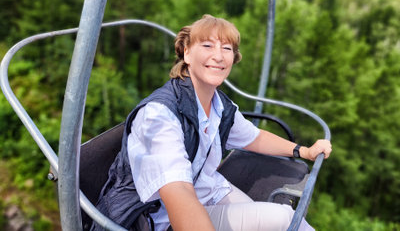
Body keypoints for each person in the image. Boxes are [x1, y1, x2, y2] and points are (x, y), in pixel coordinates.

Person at [93, 14, 332, 231]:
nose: (218, 56)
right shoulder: (159, 116)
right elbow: (179, 193)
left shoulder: (218, 105)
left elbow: (254, 137)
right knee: (284, 220)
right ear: (187, 53)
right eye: (207, 45)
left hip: (207, 189)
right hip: (158, 217)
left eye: (226, 48)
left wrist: (304, 151)